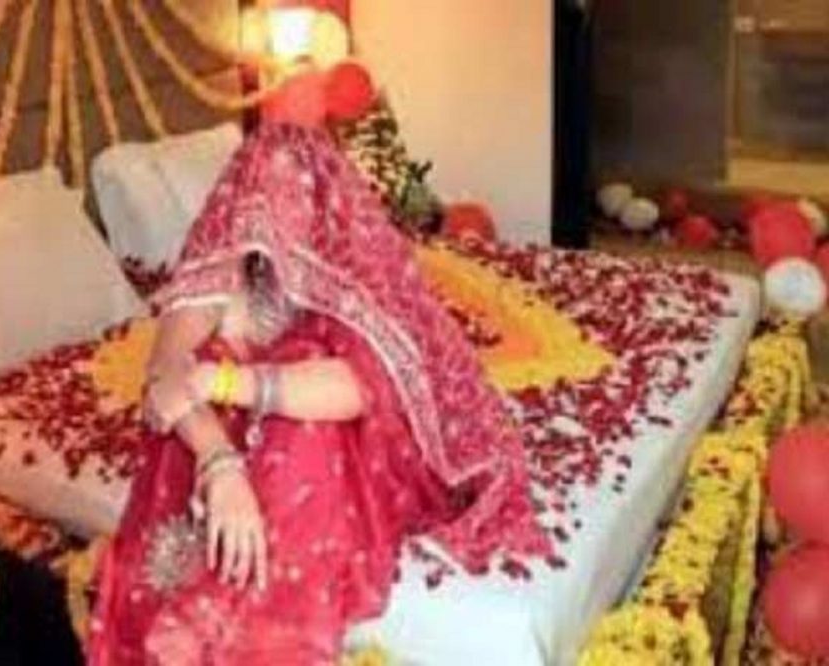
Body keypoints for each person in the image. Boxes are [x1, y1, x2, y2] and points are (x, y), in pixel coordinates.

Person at [88, 123, 549, 665]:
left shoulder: (343, 269)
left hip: (334, 446)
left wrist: (221, 382)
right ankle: (210, 609)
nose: (278, 206)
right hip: (229, 449)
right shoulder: (223, 265)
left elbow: (357, 388)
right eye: (266, 186)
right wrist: (219, 463)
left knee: (301, 408)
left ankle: (252, 629)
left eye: (295, 190)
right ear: (242, 189)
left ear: (320, 196)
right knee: (197, 411)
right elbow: (166, 372)